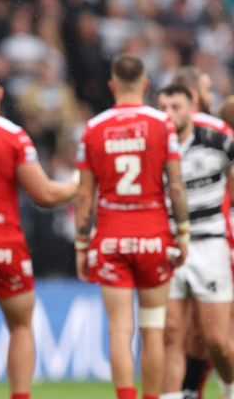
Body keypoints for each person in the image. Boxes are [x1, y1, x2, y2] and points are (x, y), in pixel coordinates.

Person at [0, 65, 78, 399]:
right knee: (21, 326)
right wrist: (80, 182)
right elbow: (45, 195)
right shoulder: (12, 134)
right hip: (5, 245)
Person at [75, 55, 189, 399]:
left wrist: (82, 244)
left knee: (119, 329)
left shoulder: (94, 128)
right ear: (146, 85)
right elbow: (177, 185)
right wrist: (182, 233)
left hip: (111, 239)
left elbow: (84, 194)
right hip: (154, 236)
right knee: (153, 331)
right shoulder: (163, 124)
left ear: (112, 86)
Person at [158, 84, 234, 399]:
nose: (168, 114)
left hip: (210, 244)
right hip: (171, 247)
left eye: (175, 107)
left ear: (191, 109)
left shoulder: (218, 143)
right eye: (163, 107)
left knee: (215, 340)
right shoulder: (155, 148)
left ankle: (229, 388)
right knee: (171, 335)